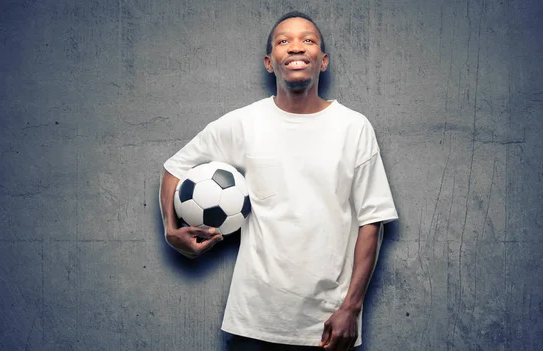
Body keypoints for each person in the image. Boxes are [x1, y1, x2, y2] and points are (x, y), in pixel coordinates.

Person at [159, 11, 398, 351]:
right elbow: (175, 168)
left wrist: (351, 307)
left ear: (323, 61)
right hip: (252, 323)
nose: (296, 48)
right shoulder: (244, 123)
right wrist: (171, 229)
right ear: (270, 62)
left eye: (308, 40)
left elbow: (372, 220)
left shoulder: (353, 127)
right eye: (284, 41)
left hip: (327, 327)